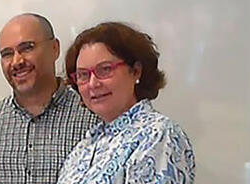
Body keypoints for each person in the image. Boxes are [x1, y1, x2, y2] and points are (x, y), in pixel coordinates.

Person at [0, 13, 98, 183]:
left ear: (54, 48)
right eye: (7, 54)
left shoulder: (92, 116)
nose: (17, 61)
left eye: (27, 48)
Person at [57, 22, 195, 183]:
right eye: (83, 75)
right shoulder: (86, 145)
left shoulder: (158, 134)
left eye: (105, 69)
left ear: (136, 71)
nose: (93, 83)